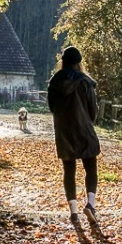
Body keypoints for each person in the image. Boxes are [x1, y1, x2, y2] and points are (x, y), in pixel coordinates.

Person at [46, 46, 100, 220]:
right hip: (84, 128)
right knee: (90, 167)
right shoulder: (85, 82)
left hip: (64, 131)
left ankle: (74, 211)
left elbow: (52, 107)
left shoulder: (55, 82)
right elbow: (93, 109)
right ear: (79, 63)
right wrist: (87, 121)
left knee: (69, 170)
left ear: (63, 62)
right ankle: (90, 204)